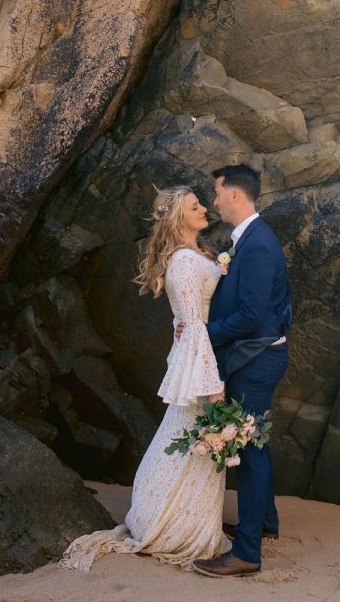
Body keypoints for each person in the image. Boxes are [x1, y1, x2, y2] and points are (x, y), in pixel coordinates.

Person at [60, 186, 226, 573]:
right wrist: (211, 385)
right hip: (200, 365)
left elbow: (184, 320)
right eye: (194, 206)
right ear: (176, 218)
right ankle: (168, 526)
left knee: (194, 443)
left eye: (201, 203)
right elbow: (191, 324)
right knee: (192, 438)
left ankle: (184, 520)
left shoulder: (196, 254)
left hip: (202, 354)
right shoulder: (185, 262)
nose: (204, 209)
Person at [192, 163, 291, 579]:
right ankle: (263, 522)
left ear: (235, 194)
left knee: (249, 448)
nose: (213, 201)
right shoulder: (248, 240)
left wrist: (203, 334)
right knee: (256, 444)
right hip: (256, 356)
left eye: (216, 193)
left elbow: (252, 317)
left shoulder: (257, 245)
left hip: (256, 359)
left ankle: (247, 550)